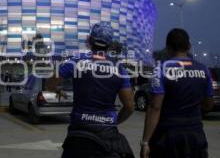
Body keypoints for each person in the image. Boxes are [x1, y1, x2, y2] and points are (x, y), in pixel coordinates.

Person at [49, 22, 135, 158]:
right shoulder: (119, 68)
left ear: (90, 40)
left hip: (79, 132)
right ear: (110, 44)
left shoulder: (77, 61)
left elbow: (51, 81)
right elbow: (129, 106)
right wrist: (115, 121)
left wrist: (57, 89)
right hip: (107, 135)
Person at [140, 28, 214, 158]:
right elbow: (209, 104)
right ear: (189, 46)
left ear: (168, 47)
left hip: (167, 135)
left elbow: (155, 107)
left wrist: (145, 141)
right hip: (195, 134)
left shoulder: (161, 69)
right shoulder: (204, 70)